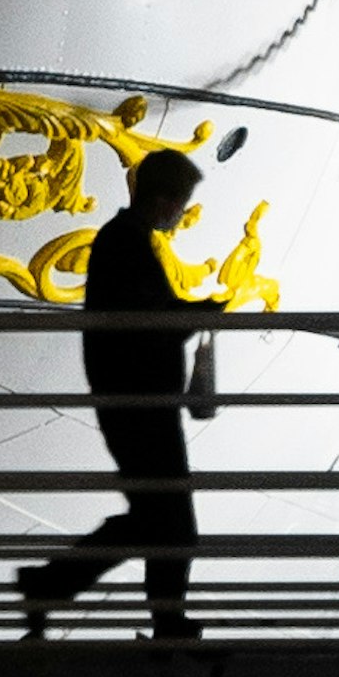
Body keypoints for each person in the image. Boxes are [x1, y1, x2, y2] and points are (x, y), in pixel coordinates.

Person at [19, 140, 206, 641]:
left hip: (132, 401)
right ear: (165, 200)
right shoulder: (127, 242)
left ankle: (53, 584)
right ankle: (161, 621)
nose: (181, 215)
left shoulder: (119, 239)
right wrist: (196, 314)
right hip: (139, 404)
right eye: (181, 203)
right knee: (171, 523)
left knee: (156, 517)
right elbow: (149, 320)